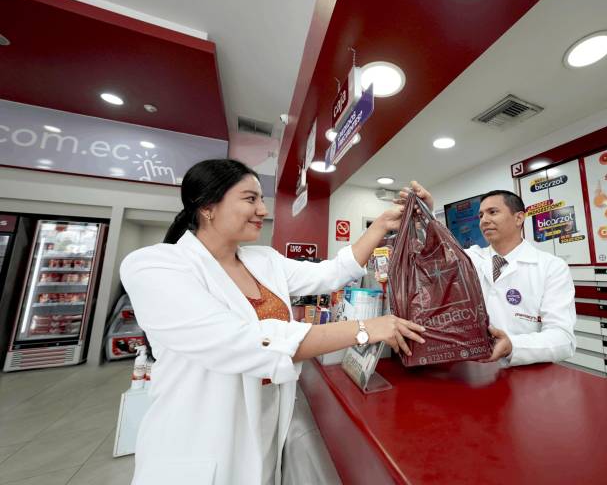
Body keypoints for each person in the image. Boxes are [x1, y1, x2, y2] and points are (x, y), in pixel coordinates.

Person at [120, 159, 425, 485]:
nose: (263, 210)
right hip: (200, 444)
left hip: (265, 433)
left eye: (262, 199)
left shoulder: (263, 260)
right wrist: (364, 328)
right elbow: (238, 340)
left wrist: (381, 225)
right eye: (250, 199)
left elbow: (330, 273)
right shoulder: (153, 266)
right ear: (208, 206)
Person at [399, 183, 576, 366]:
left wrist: (513, 345)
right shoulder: (470, 257)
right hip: (470, 369)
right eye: (481, 215)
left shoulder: (552, 267)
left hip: (525, 370)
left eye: (493, 212)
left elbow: (563, 338)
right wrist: (427, 214)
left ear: (519, 218)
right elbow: (432, 254)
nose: (484, 220)